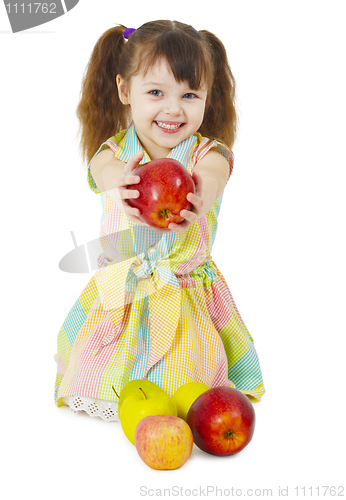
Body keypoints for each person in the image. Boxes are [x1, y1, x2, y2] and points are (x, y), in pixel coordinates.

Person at [54, 20, 265, 422]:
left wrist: (204, 192)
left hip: (184, 293)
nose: (173, 109)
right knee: (108, 367)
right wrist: (122, 183)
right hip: (124, 292)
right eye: (155, 92)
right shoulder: (114, 152)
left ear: (206, 96)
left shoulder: (208, 154)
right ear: (124, 91)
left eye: (190, 94)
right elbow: (104, 171)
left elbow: (217, 174)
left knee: (187, 381)